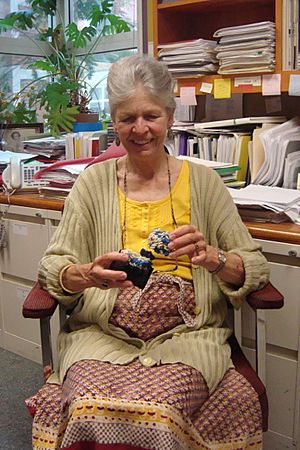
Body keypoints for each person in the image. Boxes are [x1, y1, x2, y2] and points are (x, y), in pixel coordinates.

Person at [26, 55, 269, 450]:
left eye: (151, 116)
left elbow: (255, 266)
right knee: (88, 405)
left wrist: (215, 259)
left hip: (187, 335)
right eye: (127, 118)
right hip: (103, 333)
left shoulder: (205, 183)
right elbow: (54, 267)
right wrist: (87, 273)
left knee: (161, 409)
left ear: (170, 116)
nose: (140, 129)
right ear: (115, 122)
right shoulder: (92, 185)